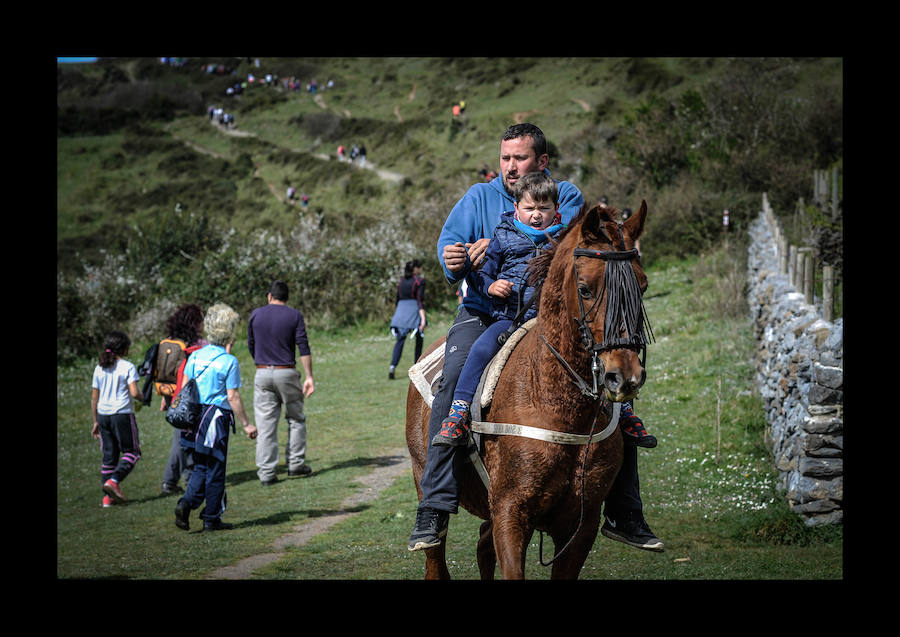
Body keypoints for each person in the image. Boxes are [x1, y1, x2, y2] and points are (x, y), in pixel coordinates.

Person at [408, 122, 664, 554]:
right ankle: (433, 507)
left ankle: (626, 511)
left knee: (612, 384)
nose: (510, 167)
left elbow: (574, 249)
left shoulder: (563, 196)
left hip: (548, 317)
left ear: (541, 161)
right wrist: (455, 257)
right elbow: (449, 248)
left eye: (519, 158)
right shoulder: (478, 197)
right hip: (487, 312)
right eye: (505, 158)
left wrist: (510, 239)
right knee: (451, 376)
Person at [432, 172, 565, 445]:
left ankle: (622, 413)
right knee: (481, 348)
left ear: (556, 210)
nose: (536, 215)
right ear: (516, 208)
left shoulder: (564, 241)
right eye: (529, 208)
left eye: (544, 208)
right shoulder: (502, 236)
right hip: (512, 319)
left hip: (555, 322)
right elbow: (477, 275)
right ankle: (458, 411)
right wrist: (491, 286)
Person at [174, 304, 258, 532]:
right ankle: (211, 518)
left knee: (201, 466)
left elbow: (183, 389)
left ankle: (186, 503)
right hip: (214, 420)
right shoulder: (228, 362)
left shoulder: (195, 356)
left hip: (193, 418)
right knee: (216, 470)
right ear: (229, 332)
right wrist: (247, 424)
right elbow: (233, 397)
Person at [247, 281, 316, 486]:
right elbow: (303, 346)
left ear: (269, 296)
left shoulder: (256, 314)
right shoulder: (294, 315)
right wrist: (309, 375)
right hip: (287, 372)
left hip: (262, 373)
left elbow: (251, 344)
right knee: (295, 419)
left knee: (266, 425)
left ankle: (267, 473)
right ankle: (295, 464)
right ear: (287, 298)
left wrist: (260, 362)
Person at [91, 331, 143, 507]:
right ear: (124, 349)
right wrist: (143, 398)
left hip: (103, 415)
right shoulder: (127, 367)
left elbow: (94, 398)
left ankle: (107, 499)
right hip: (121, 415)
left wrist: (95, 421)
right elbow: (134, 392)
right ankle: (113, 481)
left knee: (109, 457)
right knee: (132, 452)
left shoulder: (99, 368)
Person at [159, 304, 207, 496]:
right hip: (191, 397)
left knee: (186, 437)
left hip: (173, 396)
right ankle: (169, 482)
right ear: (195, 323)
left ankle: (189, 477)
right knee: (181, 440)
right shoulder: (198, 344)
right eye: (201, 320)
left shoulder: (171, 342)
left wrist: (165, 397)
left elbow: (166, 373)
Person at [388, 260, 426, 380]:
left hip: (401, 311)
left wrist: (397, 315)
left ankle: (392, 366)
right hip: (414, 310)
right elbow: (420, 301)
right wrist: (423, 319)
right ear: (416, 268)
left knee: (400, 339)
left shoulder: (401, 281)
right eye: (420, 267)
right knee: (419, 338)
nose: (421, 269)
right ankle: (417, 367)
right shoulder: (420, 281)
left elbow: (397, 298)